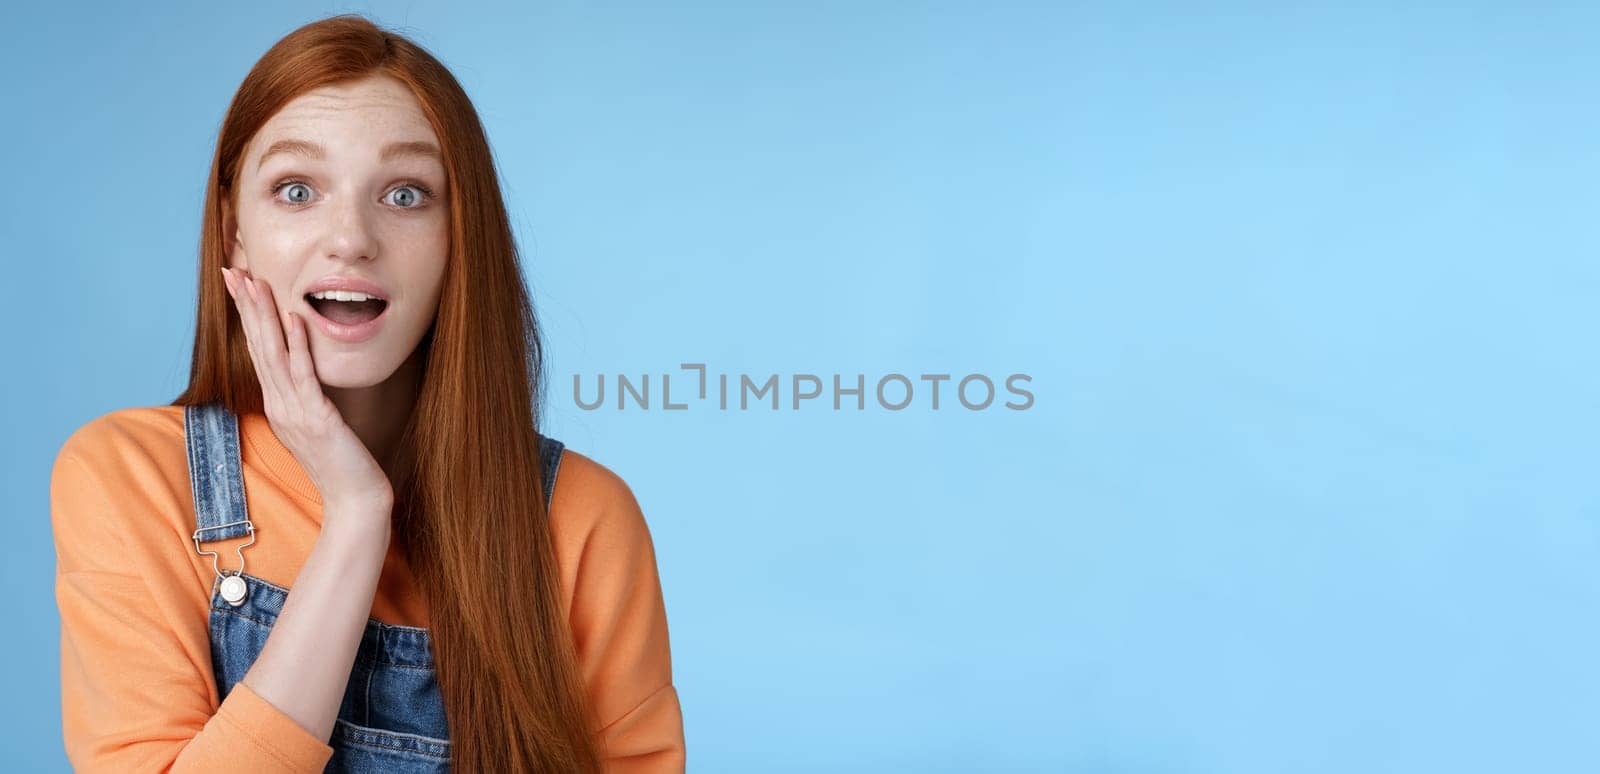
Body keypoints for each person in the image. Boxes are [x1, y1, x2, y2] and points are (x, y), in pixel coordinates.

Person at [48, 14, 684, 773]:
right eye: (295, 189)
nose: (351, 237)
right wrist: (356, 517)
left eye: (407, 194)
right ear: (232, 234)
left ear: (460, 239)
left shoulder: (583, 519)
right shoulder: (132, 480)